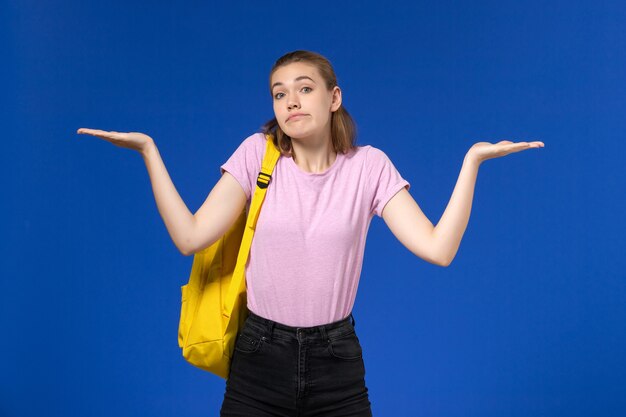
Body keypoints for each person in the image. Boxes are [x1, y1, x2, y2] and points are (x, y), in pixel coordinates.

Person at [77, 49, 544, 416]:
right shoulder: (256, 155)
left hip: (336, 360)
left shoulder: (369, 167)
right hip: (258, 356)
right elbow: (190, 236)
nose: (291, 102)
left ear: (334, 97)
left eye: (304, 88)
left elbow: (438, 249)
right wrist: (149, 152)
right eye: (279, 94)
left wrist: (472, 162)